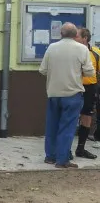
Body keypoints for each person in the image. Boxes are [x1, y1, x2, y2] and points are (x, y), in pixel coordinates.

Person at [39, 23, 95, 168]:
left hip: (53, 93)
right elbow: (90, 72)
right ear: (75, 35)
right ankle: (62, 159)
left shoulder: (52, 47)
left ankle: (50, 156)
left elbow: (43, 70)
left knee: (52, 126)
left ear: (61, 34)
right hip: (72, 94)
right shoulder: (82, 49)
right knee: (67, 127)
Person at [73, 28, 99, 160]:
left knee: (87, 116)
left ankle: (81, 148)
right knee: (71, 115)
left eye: (77, 36)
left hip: (90, 87)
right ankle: (65, 149)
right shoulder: (72, 50)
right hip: (74, 86)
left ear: (85, 38)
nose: (74, 38)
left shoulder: (95, 52)